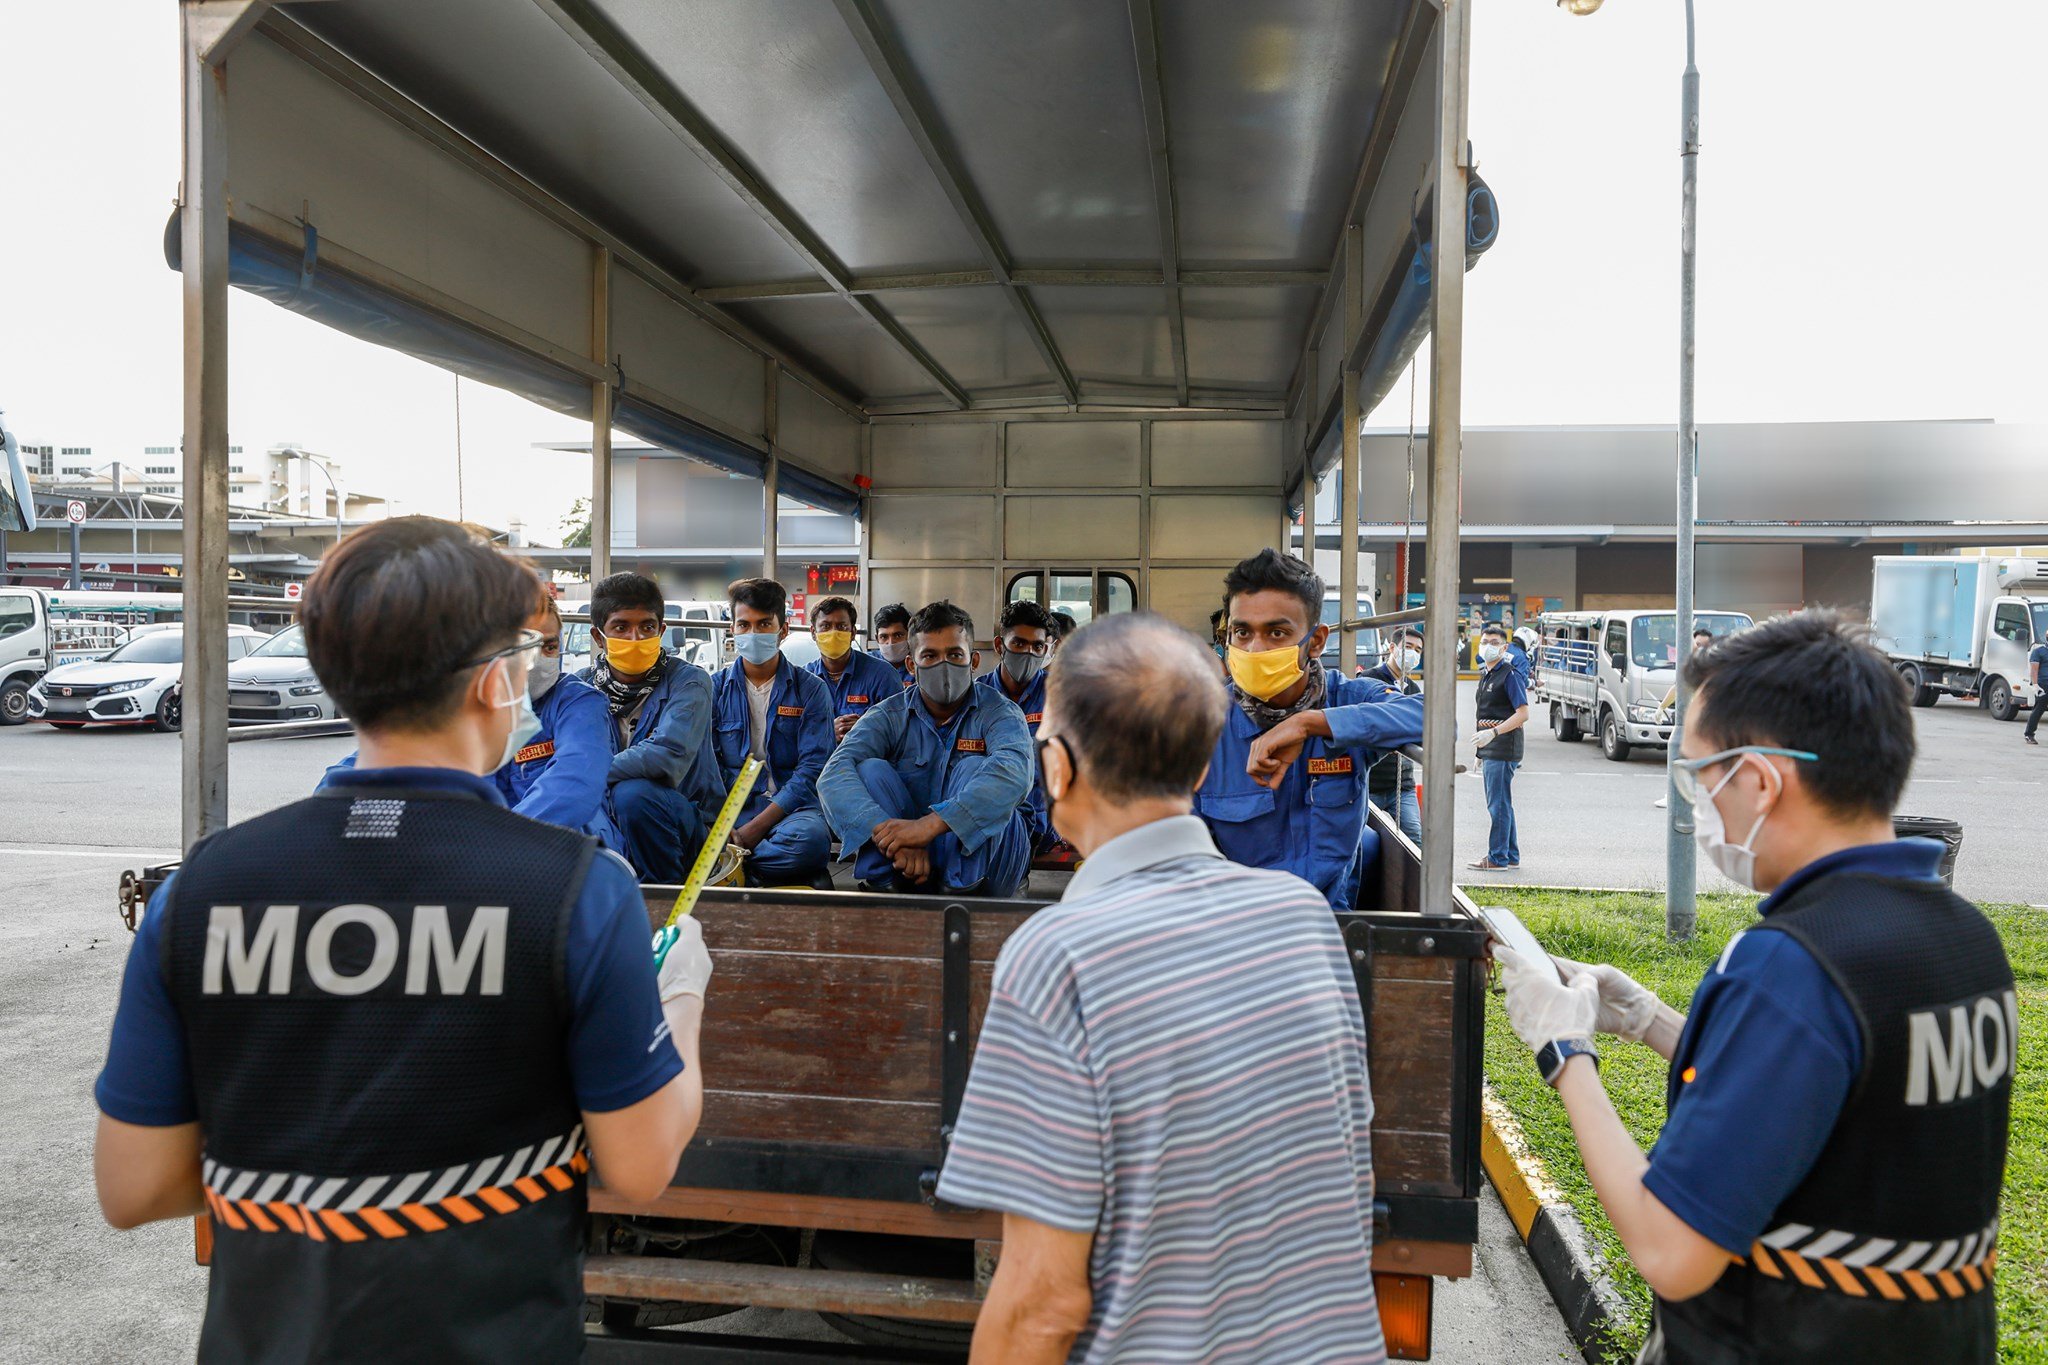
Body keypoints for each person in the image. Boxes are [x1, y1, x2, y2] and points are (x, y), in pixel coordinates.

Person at [92, 517, 711, 1360]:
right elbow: (639, 1168)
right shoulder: (573, 891)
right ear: (496, 681)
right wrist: (681, 996)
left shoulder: (203, 889)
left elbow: (134, 1185)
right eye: (526, 654)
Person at [1496, 611, 2014, 1364]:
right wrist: (1654, 1022)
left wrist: (1563, 1050)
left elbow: (1672, 1250)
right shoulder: (1967, 939)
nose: (1699, 803)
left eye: (1703, 775)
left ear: (1763, 780)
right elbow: (1841, 1099)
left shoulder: (1791, 966)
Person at [939, 613, 1386, 1361]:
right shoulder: (1304, 918)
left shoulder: (1057, 956)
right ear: (1205, 767)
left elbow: (1042, 1305)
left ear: (1057, 768)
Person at [1194, 549, 1425, 911]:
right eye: (1242, 632)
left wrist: (1310, 724)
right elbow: (1184, 857)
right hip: (1240, 930)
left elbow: (1435, 717)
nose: (1255, 649)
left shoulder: (1346, 699)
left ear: (1316, 641)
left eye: (1277, 632)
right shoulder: (1202, 727)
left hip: (1331, 926)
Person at [321, 584, 621, 849]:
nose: (539, 658)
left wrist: (488, 847)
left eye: (550, 645)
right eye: (524, 646)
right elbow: (370, 767)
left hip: (556, 844)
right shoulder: (458, 700)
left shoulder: (577, 701)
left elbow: (575, 782)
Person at [818, 600, 1033, 897]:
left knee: (975, 766)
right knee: (869, 769)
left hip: (989, 868)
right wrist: (894, 837)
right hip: (905, 863)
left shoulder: (1000, 712)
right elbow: (833, 774)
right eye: (930, 655)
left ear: (972, 662)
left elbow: (1014, 771)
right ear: (911, 664)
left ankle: (960, 891)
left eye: (954, 654)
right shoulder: (888, 714)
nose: (943, 665)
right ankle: (887, 888)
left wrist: (931, 826)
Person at [580, 572, 723, 882]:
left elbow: (667, 754)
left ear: (662, 630)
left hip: (681, 826)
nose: (636, 639)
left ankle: (664, 898)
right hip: (606, 823)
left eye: (647, 627)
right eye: (621, 627)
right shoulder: (580, 689)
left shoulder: (690, 681)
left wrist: (586, 771)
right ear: (598, 636)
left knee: (634, 794)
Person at [713, 578, 834, 885]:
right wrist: (722, 822)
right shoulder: (713, 689)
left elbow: (812, 770)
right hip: (730, 809)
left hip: (792, 810)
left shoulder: (811, 691)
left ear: (783, 631)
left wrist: (755, 829)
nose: (753, 634)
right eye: (744, 625)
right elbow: (706, 766)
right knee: (682, 833)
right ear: (732, 630)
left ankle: (737, 869)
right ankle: (753, 867)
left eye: (764, 624)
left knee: (812, 841)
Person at [976, 599, 1056, 852]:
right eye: (1019, 643)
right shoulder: (976, 696)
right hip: (984, 818)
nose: (1029, 653)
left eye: (1038, 646)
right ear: (1000, 645)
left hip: (1044, 826)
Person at [804, 594, 904, 742]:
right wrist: (827, 732)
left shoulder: (882, 675)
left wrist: (867, 729)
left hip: (865, 761)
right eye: (825, 626)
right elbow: (792, 734)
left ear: (852, 633)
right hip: (815, 763)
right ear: (813, 633)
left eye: (841, 627)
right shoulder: (804, 679)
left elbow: (901, 730)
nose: (833, 633)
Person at [1470, 620, 1528, 871]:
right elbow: (1483, 712)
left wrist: (1493, 733)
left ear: (1504, 649)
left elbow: (1523, 713)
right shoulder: (1487, 674)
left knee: (1497, 804)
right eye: (1484, 643)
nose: (1488, 647)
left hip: (1504, 744)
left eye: (1494, 643)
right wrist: (1480, 751)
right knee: (1502, 802)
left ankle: (1497, 858)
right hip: (1491, 745)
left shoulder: (1509, 675)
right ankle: (1510, 855)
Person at [1364, 627, 1424, 843]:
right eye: (1408, 647)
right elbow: (1366, 726)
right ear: (1392, 647)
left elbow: (1418, 730)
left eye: (1418, 649)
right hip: (1371, 783)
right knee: (1363, 841)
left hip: (1403, 783)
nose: (1413, 653)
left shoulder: (1413, 688)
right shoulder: (1368, 681)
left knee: (1415, 840)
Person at [871, 601, 914, 686]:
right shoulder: (867, 664)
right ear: (877, 639)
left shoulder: (919, 663)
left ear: (910, 635)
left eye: (898, 635)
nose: (891, 643)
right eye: (884, 637)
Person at [2024, 633, 2046, 745]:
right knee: (2039, 710)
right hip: (2043, 685)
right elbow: (2034, 670)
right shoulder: (2039, 652)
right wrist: (2036, 685)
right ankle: (2029, 734)